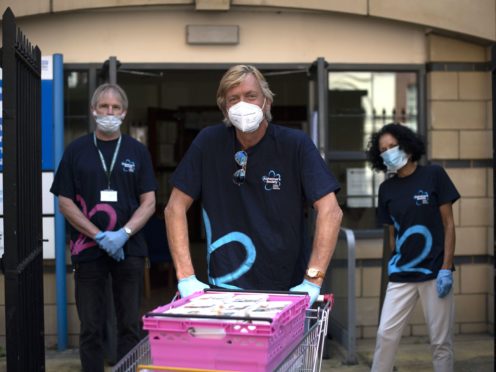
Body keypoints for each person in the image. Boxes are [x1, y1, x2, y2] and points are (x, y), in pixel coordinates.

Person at [164, 64, 342, 306]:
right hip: (224, 289)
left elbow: (330, 211)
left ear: (266, 102)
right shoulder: (208, 143)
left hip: (286, 290)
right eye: (233, 99)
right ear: (224, 107)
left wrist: (313, 279)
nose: (242, 104)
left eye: (250, 96)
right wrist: (186, 277)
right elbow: (174, 208)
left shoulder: (295, 145)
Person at [50, 83, 157, 372]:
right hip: (88, 251)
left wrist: (124, 234)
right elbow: (64, 201)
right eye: (104, 107)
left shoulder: (137, 151)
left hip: (130, 250)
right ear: (93, 110)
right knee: (91, 326)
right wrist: (97, 235)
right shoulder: (76, 151)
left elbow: (149, 201)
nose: (109, 112)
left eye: (115, 108)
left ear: (123, 112)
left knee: (129, 325)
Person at [366, 123, 459, 372]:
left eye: (392, 146)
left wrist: (446, 268)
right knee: (385, 335)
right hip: (402, 274)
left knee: (440, 342)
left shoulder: (434, 175)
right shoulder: (386, 189)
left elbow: (448, 225)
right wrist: (395, 260)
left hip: (434, 272)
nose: (388, 153)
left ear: (406, 145)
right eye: (383, 150)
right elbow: (392, 233)